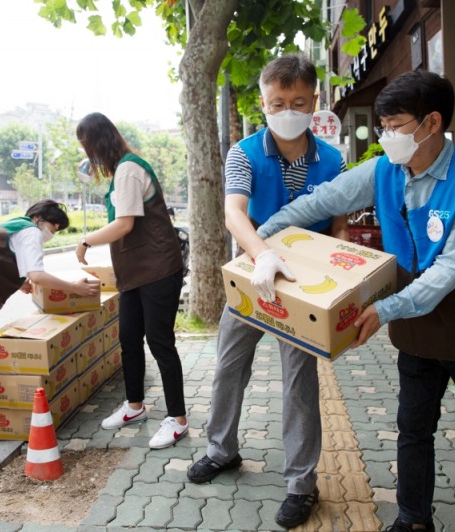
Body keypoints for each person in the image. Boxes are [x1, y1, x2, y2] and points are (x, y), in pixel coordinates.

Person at [256, 70, 455, 532]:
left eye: (395, 126)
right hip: (417, 332)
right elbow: (322, 200)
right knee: (414, 431)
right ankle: (413, 519)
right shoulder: (384, 171)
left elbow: (450, 271)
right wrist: (262, 237)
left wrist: (383, 309)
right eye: (383, 127)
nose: (387, 137)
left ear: (431, 123)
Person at [186, 54, 349, 529]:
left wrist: (336, 281)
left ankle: (301, 483)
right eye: (277, 102)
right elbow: (234, 212)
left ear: (314, 101)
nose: (288, 110)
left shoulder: (333, 159)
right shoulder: (245, 152)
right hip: (253, 274)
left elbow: (338, 224)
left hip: (304, 287)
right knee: (228, 366)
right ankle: (221, 450)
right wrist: (261, 255)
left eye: (298, 101)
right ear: (263, 102)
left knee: (299, 381)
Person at [0, 200, 99, 470]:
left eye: (56, 231)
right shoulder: (29, 230)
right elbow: (37, 274)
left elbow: (10, 267)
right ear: (38, 219)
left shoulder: (15, 229)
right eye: (52, 227)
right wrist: (74, 289)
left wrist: (22, 283)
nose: (51, 234)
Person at [75, 112, 189, 450]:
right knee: (128, 338)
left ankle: (178, 419)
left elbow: (124, 225)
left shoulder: (128, 169)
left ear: (97, 143)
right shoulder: (122, 171)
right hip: (135, 274)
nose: (87, 155)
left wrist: (85, 241)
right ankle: (135, 406)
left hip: (157, 271)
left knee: (159, 342)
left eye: (86, 146)